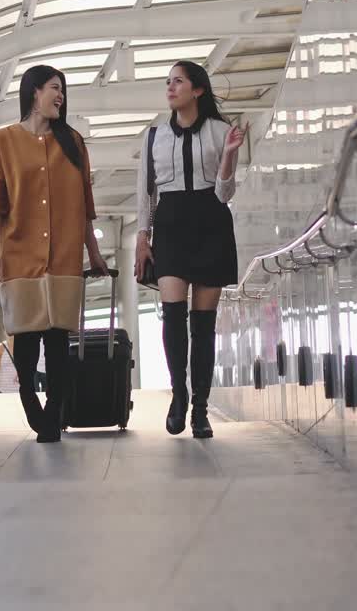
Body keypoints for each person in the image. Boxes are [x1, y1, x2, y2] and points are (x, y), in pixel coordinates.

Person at [0, 65, 107, 443]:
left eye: (63, 90)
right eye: (55, 88)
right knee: (27, 339)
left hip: (64, 255)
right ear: (34, 92)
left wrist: (94, 253)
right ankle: (28, 399)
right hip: (18, 253)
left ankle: (53, 415)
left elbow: (86, 205)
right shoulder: (2, 143)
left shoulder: (74, 143)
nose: (60, 96)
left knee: (57, 341)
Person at [135, 61, 248, 438]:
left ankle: (200, 408)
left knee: (203, 326)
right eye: (167, 82)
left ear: (197, 90)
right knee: (172, 315)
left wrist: (230, 155)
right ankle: (178, 394)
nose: (170, 87)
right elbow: (146, 192)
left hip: (211, 221)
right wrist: (142, 237)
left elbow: (224, 194)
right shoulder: (154, 136)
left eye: (178, 81)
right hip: (169, 224)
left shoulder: (220, 132)